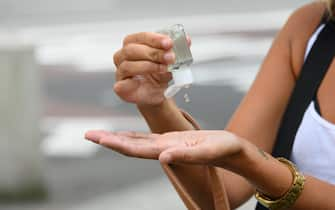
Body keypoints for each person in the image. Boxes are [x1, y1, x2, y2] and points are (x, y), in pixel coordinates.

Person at [85, 1, 335, 209]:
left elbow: (246, 163)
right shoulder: (309, 27)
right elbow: (223, 188)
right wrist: (155, 104)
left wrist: (256, 165)